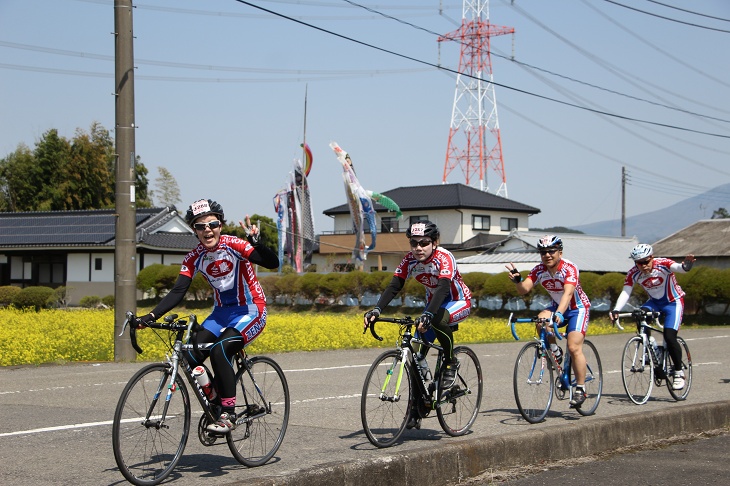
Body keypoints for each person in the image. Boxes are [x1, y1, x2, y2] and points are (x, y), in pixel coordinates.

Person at [134, 199, 279, 433]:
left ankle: (229, 414)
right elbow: (178, 290)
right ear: (195, 231)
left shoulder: (236, 245)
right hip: (221, 313)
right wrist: (150, 316)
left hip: (251, 310)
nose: (207, 230)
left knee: (220, 350)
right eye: (200, 226)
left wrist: (256, 244)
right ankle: (214, 398)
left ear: (220, 225)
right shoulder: (194, 257)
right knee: (189, 355)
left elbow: (272, 263)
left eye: (212, 224)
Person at [363, 220, 472, 428]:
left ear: (435, 242)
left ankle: (450, 362)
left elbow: (442, 288)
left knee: (438, 317)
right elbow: (395, 285)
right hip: (433, 306)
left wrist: (428, 314)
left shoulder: (444, 257)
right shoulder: (409, 260)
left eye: (424, 243)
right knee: (414, 352)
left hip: (457, 302)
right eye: (414, 243)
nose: (418, 248)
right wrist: (377, 310)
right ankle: (416, 408)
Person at [505, 235, 592, 408]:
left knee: (574, 347)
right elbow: (524, 290)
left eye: (551, 251)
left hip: (577, 308)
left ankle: (581, 389)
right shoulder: (539, 270)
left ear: (560, 252)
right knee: (540, 320)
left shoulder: (569, 268)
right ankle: (555, 350)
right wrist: (518, 280)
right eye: (543, 252)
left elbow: (568, 294)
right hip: (556, 306)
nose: (547, 255)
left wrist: (559, 314)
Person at [609, 243, 695, 390]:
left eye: (645, 262)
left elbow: (678, 268)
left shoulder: (663, 264)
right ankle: (650, 346)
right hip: (654, 302)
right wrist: (616, 309)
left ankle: (678, 372)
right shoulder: (633, 273)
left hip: (673, 302)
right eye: (638, 263)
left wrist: (686, 267)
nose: (642, 266)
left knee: (669, 336)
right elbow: (626, 292)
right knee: (639, 314)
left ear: (652, 257)